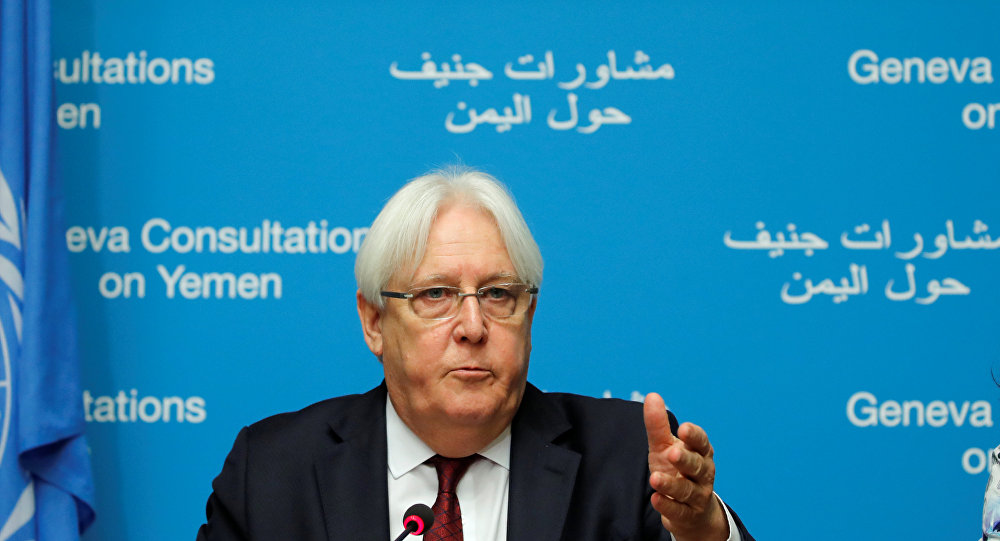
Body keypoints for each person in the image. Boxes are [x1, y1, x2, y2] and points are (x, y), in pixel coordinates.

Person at [196, 167, 754, 540]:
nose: (472, 326)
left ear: (529, 316)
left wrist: (704, 533)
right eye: (436, 294)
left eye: (498, 294)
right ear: (374, 322)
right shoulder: (271, 472)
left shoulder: (629, 460)